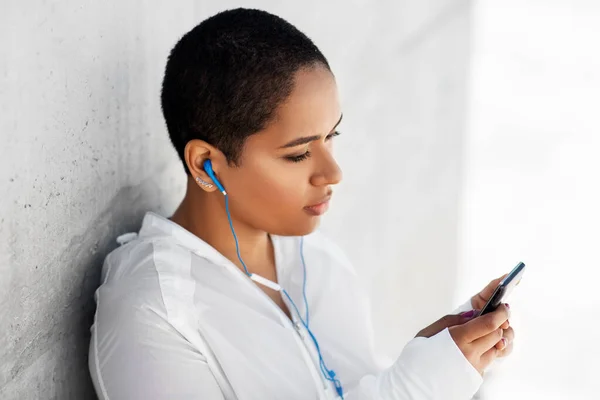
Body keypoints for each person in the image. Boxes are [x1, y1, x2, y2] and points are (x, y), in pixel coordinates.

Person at [88, 8, 514, 400]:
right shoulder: (156, 311)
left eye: (332, 137)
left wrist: (437, 355)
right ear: (207, 164)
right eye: (298, 154)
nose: (332, 173)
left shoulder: (316, 258)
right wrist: (420, 387)